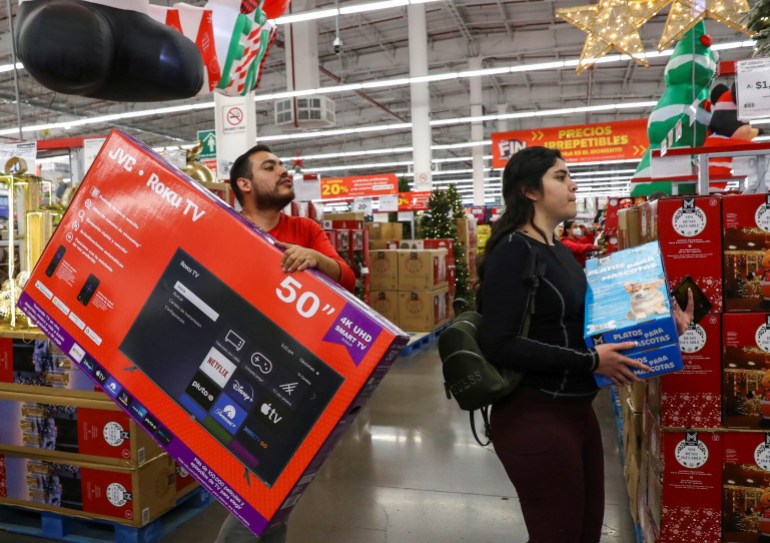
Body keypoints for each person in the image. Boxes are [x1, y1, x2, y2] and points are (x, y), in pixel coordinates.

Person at [476, 146, 693, 543]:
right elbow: (499, 343)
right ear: (530, 191)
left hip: (578, 414)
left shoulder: (557, 251)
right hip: (535, 415)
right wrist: (590, 361)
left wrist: (660, 326)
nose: (573, 185)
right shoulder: (513, 252)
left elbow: (589, 326)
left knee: (585, 532)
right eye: (560, 177)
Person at [214, 144, 355, 543]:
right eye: (270, 167)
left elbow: (347, 278)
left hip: (292, 372)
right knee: (260, 490)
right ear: (244, 184)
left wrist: (315, 258)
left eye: (282, 165)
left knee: (269, 487)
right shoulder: (225, 228)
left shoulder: (304, 231)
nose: (284, 171)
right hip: (230, 366)